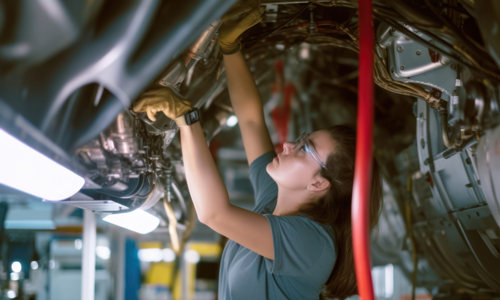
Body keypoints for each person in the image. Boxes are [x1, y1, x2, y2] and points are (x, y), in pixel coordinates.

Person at [133, 2, 383, 299]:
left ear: (319, 183)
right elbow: (251, 121)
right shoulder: (274, 200)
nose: (289, 144)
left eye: (304, 149)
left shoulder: (313, 243)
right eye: (301, 139)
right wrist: (231, 48)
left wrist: (187, 120)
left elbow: (214, 214)